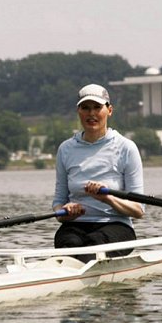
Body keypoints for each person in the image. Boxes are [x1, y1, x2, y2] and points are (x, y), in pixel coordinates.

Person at [52, 83, 145, 261]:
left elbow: (139, 210)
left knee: (92, 248)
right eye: (85, 108)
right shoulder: (65, 149)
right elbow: (58, 203)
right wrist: (65, 211)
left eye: (97, 107)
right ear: (78, 111)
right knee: (69, 244)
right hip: (75, 227)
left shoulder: (126, 148)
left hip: (116, 226)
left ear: (109, 110)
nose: (91, 114)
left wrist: (107, 198)